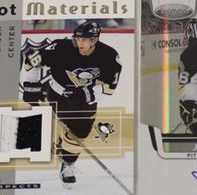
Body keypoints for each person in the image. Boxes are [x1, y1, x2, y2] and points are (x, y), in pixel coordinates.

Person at [19, 20, 122, 186]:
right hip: (58, 93)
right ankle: (68, 166)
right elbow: (31, 59)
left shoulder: (109, 56)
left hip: (88, 99)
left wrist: (84, 95)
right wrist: (31, 85)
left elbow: (110, 88)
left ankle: (65, 156)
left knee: (81, 134)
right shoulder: (61, 48)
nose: (80, 42)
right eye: (78, 38)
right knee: (71, 131)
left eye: (84, 39)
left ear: (94, 40)